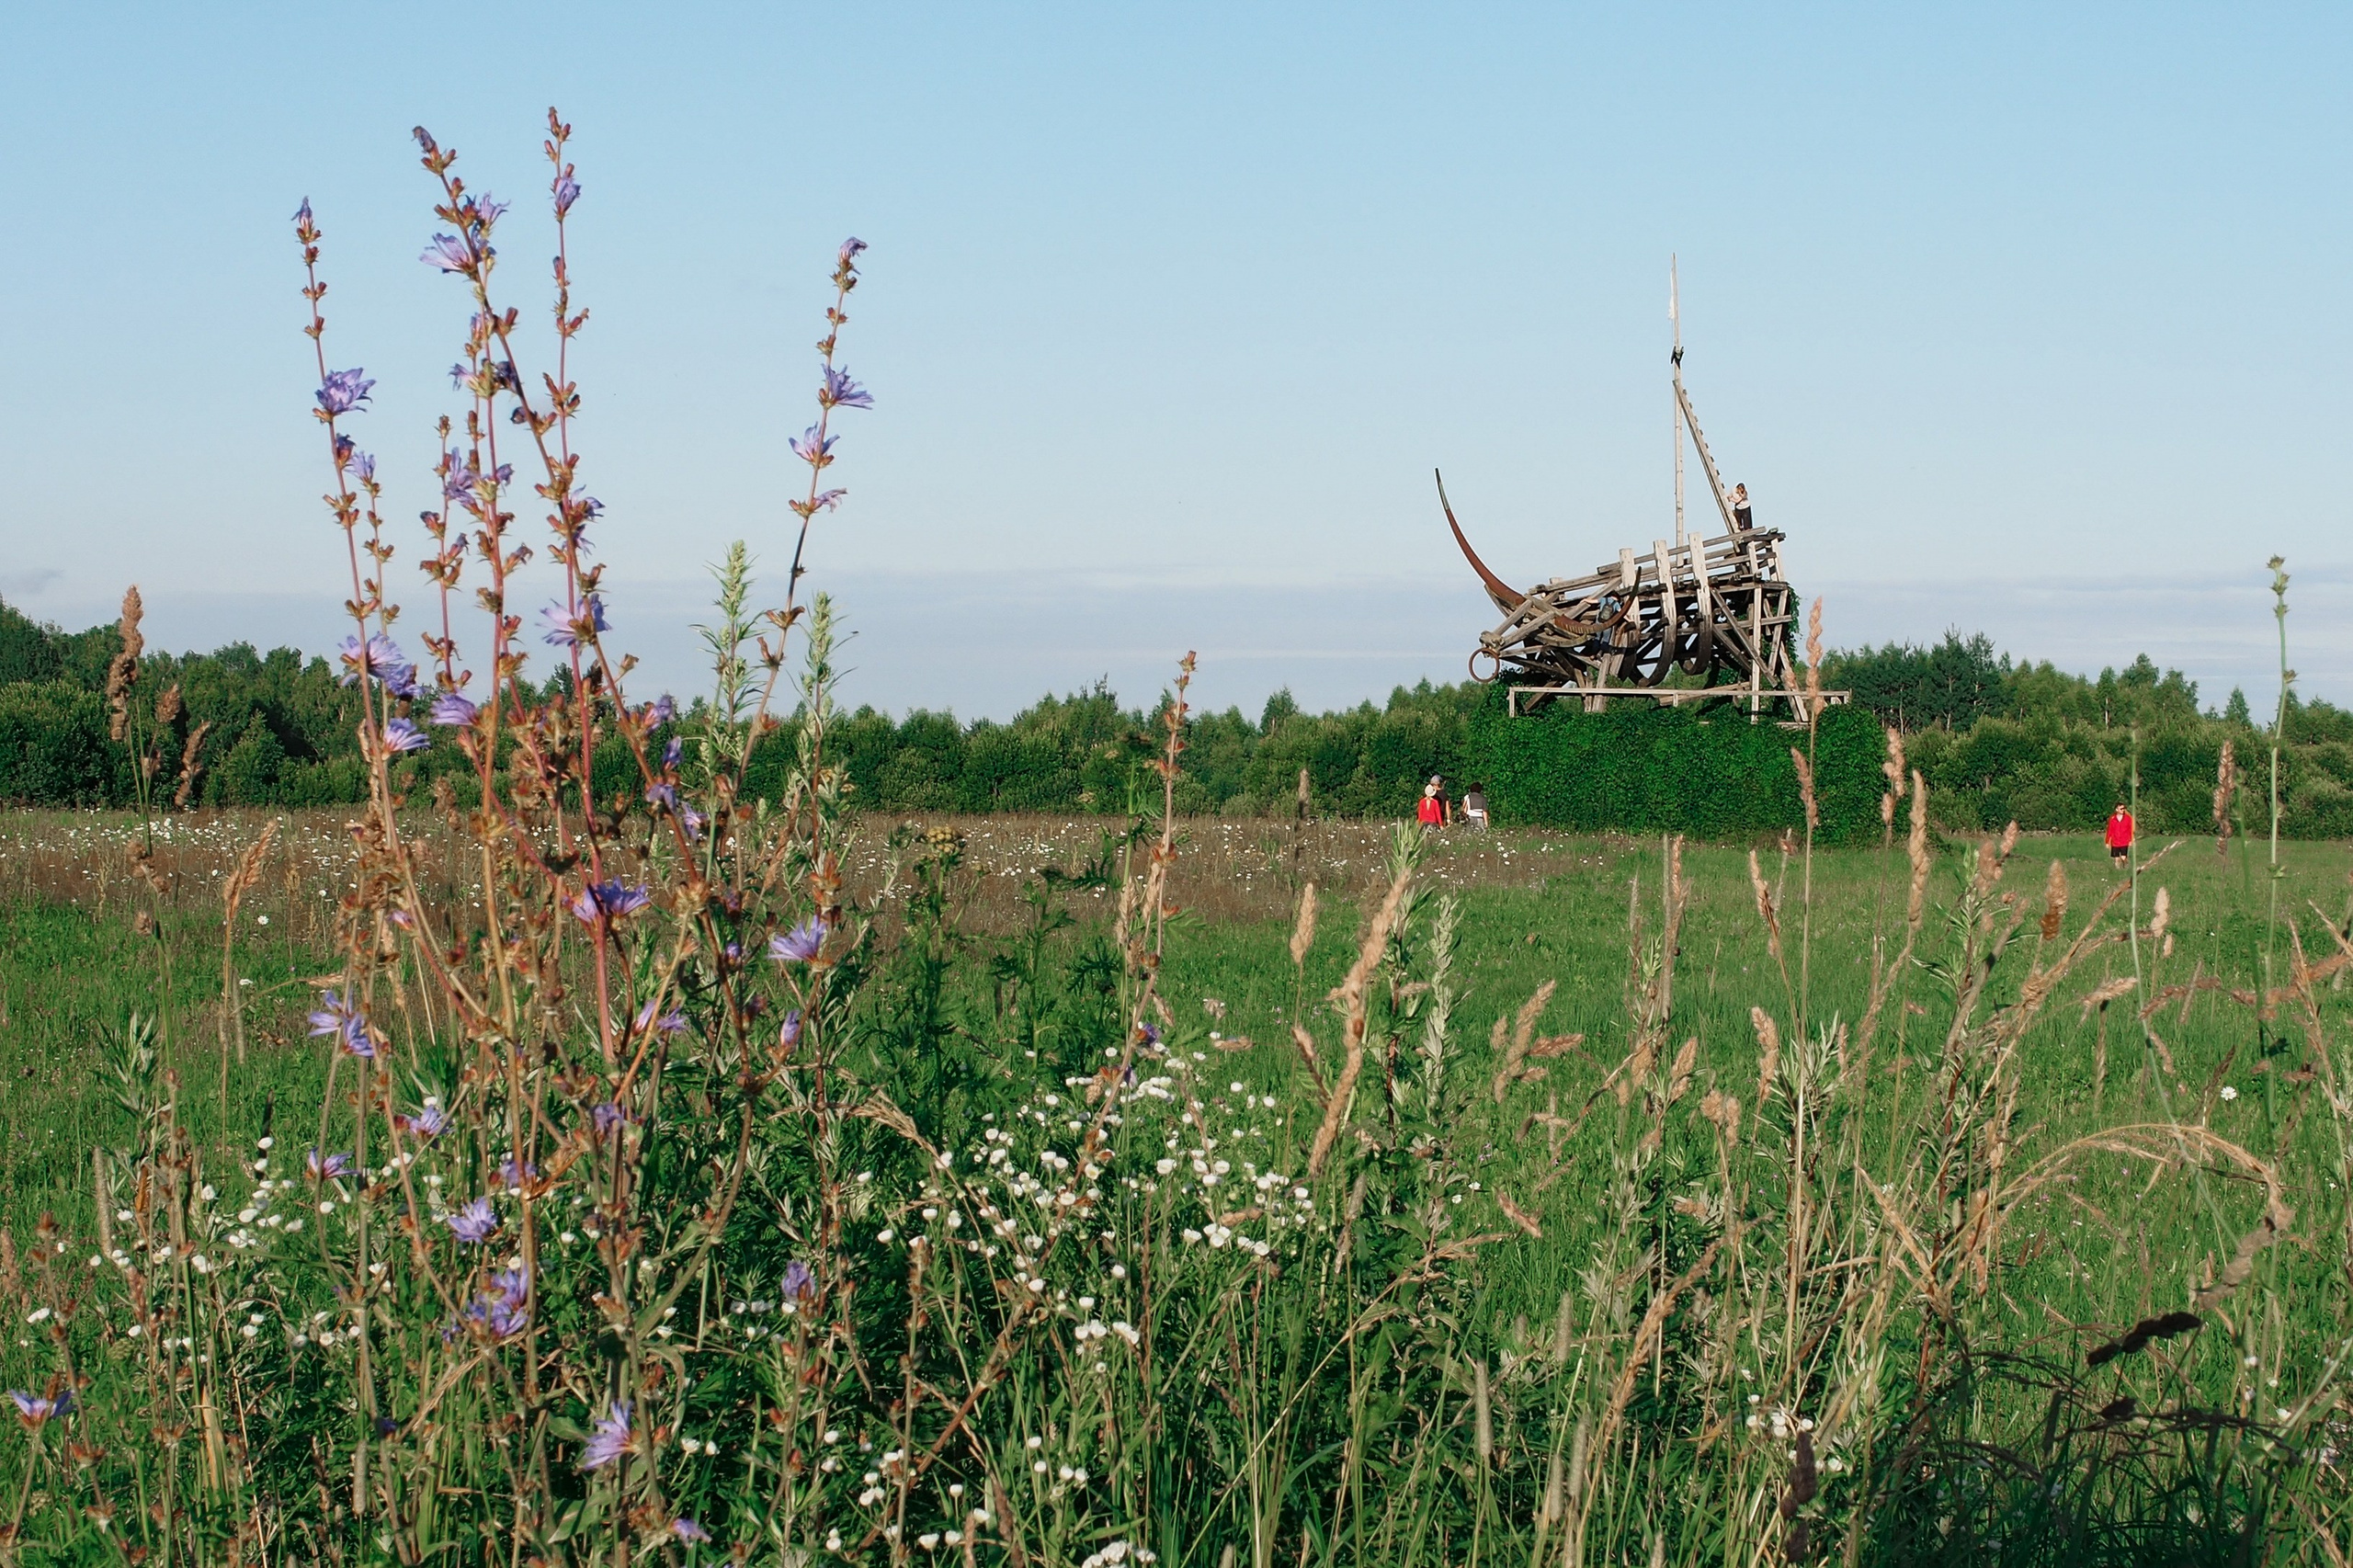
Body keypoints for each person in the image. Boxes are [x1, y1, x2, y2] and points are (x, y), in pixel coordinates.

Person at [2105, 802, 2134, 866]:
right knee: (2117, 859)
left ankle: (2126, 866)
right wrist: (2107, 842)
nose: (2123, 810)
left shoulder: (2128, 818)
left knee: (2123, 857)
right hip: (2115, 842)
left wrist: (2131, 840)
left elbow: (2130, 830)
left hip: (2124, 841)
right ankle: (2117, 870)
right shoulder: (2112, 819)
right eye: (2121, 809)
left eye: (2124, 808)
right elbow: (2109, 830)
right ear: (2117, 809)